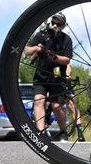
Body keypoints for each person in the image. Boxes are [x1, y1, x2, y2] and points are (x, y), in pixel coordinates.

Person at [24, 12, 72, 140]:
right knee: (39, 100)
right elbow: (27, 51)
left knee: (57, 106)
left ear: (63, 26)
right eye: (53, 22)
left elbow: (67, 60)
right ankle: (41, 132)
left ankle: (63, 132)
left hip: (57, 78)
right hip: (41, 76)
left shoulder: (66, 39)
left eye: (59, 23)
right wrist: (36, 49)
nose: (55, 25)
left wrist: (54, 56)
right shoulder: (41, 35)